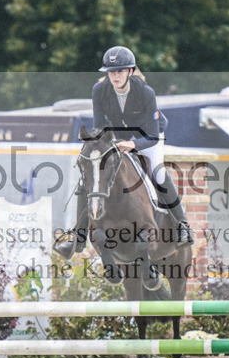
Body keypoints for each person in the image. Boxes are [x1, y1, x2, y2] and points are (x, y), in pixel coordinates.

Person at [54, 45, 193, 259]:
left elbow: (153, 136)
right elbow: (100, 126)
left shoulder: (145, 92)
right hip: (117, 138)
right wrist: (94, 145)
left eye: (119, 71)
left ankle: (182, 225)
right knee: (89, 180)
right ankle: (78, 237)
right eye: (111, 72)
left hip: (148, 137)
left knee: (158, 173)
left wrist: (134, 145)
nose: (115, 76)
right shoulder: (99, 90)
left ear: (129, 71)